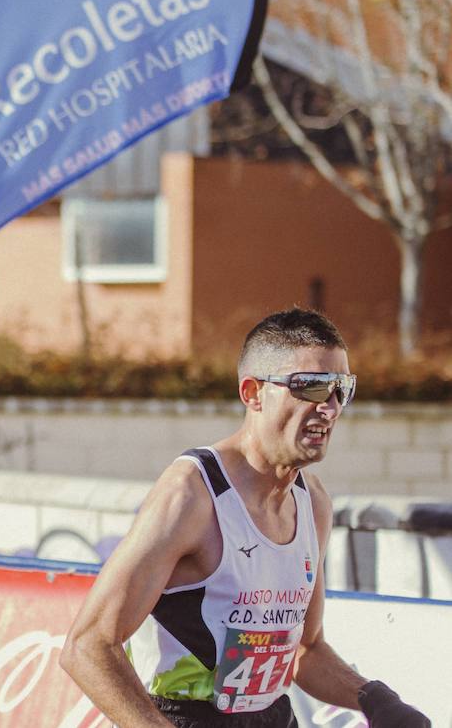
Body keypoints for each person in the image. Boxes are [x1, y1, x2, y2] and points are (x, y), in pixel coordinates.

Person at [60, 308, 429, 727]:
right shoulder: (193, 494)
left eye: (342, 389)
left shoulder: (314, 502)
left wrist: (376, 699)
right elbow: (88, 646)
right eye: (310, 387)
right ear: (252, 393)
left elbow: (305, 651)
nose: (329, 408)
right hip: (181, 716)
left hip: (270, 716)